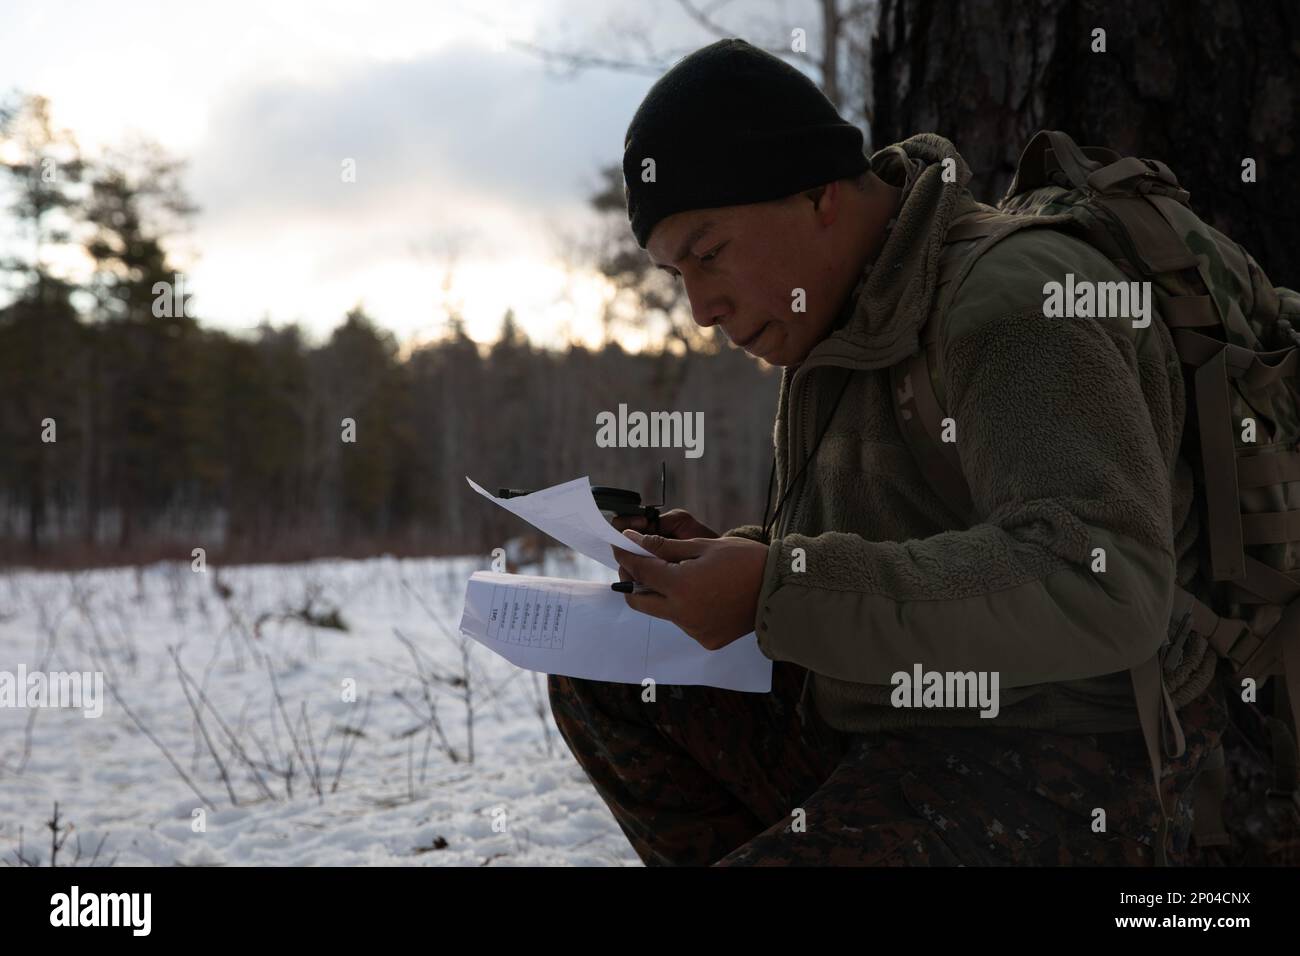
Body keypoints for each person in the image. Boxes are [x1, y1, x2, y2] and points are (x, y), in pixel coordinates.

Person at [548, 37, 1226, 866]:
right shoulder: (834, 324)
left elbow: (1104, 581)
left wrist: (778, 589)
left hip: (1082, 761)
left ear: (815, 193)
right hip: (905, 721)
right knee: (609, 668)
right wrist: (738, 565)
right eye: (672, 274)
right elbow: (902, 545)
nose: (699, 309)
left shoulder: (1015, 302)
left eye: (709, 253)